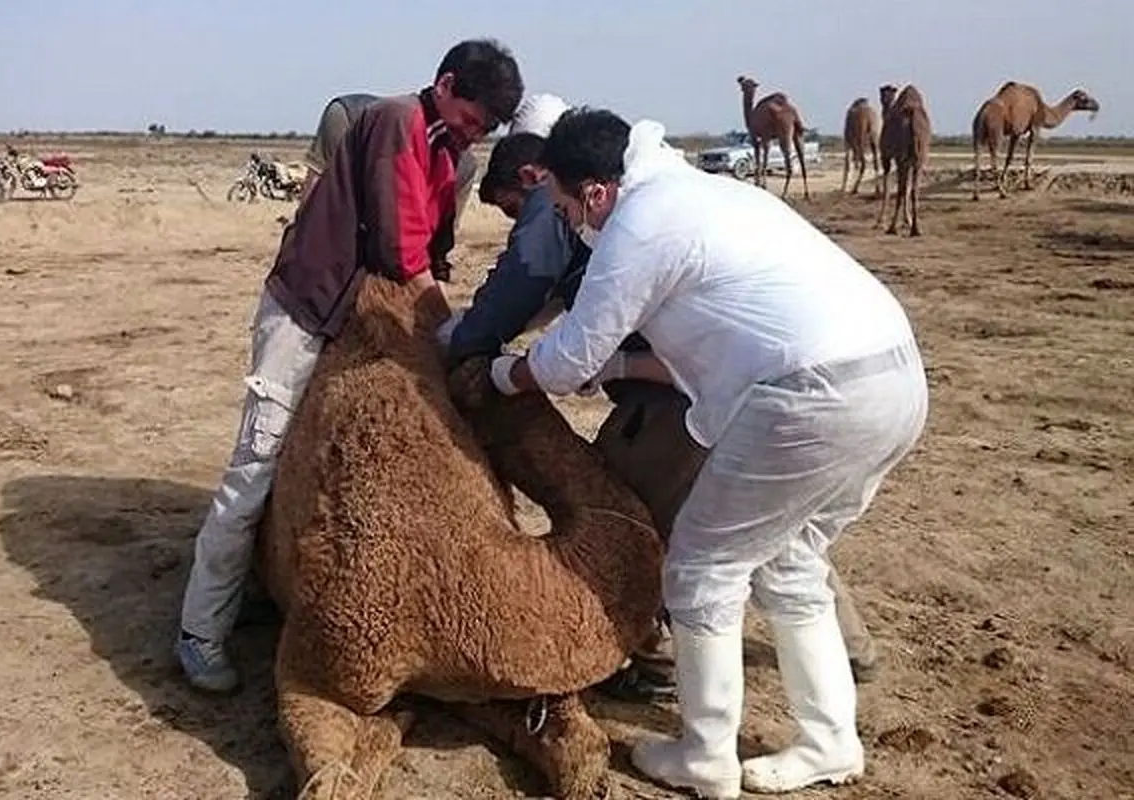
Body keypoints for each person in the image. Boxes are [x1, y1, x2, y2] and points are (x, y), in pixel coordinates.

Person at [486, 107, 928, 796]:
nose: (571, 219)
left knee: (701, 570)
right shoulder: (700, 192)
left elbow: (568, 361)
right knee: (790, 560)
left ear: (595, 191)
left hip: (809, 393)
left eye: (568, 205)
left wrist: (500, 372)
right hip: (893, 377)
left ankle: (706, 754)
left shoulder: (637, 224)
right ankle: (830, 739)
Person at [175, 38, 524, 694]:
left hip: (369, 316)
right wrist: (449, 328)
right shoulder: (396, 121)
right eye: (472, 117)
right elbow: (400, 246)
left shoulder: (454, 156)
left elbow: (433, 247)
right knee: (256, 466)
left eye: (483, 128)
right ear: (444, 83)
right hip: (308, 310)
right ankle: (201, 628)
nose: (473, 133)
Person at [300, 91, 480, 282]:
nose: (475, 136)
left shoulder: (463, 166)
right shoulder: (349, 118)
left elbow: (438, 246)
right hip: (332, 262)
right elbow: (311, 209)